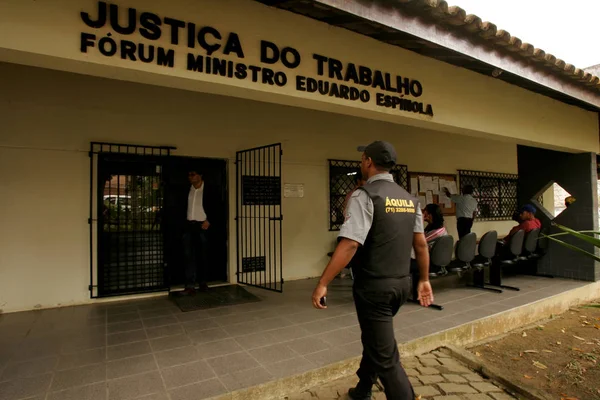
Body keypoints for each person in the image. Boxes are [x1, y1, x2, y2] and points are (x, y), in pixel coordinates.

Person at [312, 141, 433, 400]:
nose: (361, 163)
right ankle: (363, 388)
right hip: (401, 284)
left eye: (362, 159)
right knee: (376, 339)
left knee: (387, 358)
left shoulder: (365, 195)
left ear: (368, 161)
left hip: (374, 287)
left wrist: (323, 282)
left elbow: (350, 244)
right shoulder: (411, 200)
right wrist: (423, 279)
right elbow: (421, 244)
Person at [182, 170, 211, 295]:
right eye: (188, 175)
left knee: (202, 255)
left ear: (200, 175)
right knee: (188, 256)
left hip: (202, 226)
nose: (190, 177)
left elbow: (218, 206)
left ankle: (202, 283)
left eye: (193, 174)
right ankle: (190, 285)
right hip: (189, 225)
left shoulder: (208, 190)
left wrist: (209, 221)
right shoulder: (187, 190)